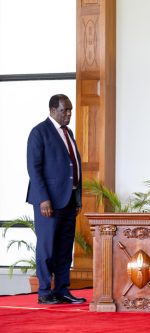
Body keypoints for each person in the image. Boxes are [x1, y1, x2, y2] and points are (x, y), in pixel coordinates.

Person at [26, 94, 86, 305]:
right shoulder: (39, 132)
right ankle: (44, 291)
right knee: (47, 247)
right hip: (48, 202)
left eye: (70, 110)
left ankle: (62, 290)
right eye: (64, 110)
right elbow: (34, 169)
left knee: (64, 248)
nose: (69, 114)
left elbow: (73, 167)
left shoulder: (68, 133)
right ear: (52, 110)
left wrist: (77, 198)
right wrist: (43, 199)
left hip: (69, 200)